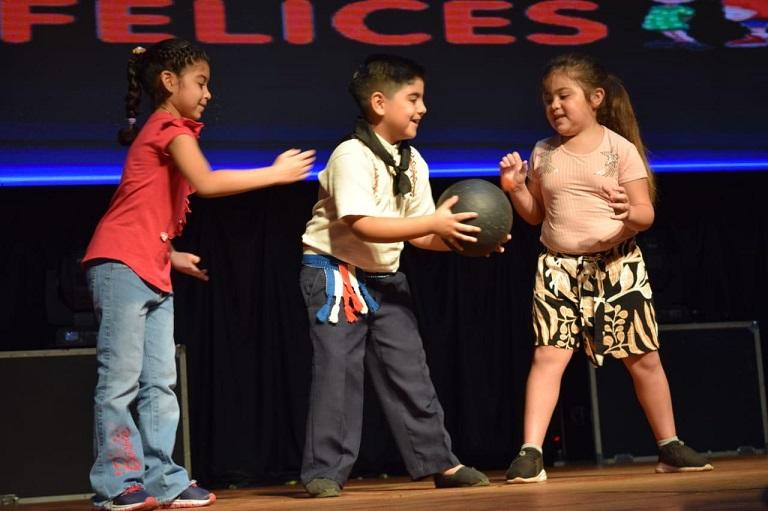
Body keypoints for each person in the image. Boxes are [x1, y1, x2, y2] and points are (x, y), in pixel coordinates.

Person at [83, 38, 315, 510]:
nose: (208, 93)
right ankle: (116, 484)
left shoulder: (171, 129)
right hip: (120, 265)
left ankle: (164, 479)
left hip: (149, 264)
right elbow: (207, 182)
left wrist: (172, 256)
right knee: (121, 380)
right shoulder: (169, 125)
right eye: (201, 82)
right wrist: (274, 173)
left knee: (160, 382)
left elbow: (145, 211)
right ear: (169, 82)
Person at [499, 53, 713, 484]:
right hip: (559, 268)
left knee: (643, 358)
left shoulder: (620, 150)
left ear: (595, 98)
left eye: (564, 96)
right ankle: (531, 452)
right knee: (548, 356)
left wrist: (627, 213)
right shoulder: (544, 152)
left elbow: (644, 214)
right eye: (548, 99)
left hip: (617, 266)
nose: (555, 105)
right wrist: (517, 190)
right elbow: (536, 216)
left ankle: (669, 446)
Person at [298, 54, 499, 498]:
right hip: (336, 276)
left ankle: (438, 461)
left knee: (410, 371)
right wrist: (433, 226)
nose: (422, 108)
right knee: (338, 372)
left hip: (384, 277)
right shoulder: (351, 156)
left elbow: (422, 233)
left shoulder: (412, 161)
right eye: (413, 98)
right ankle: (325, 470)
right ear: (378, 103)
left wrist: (468, 241)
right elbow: (362, 224)